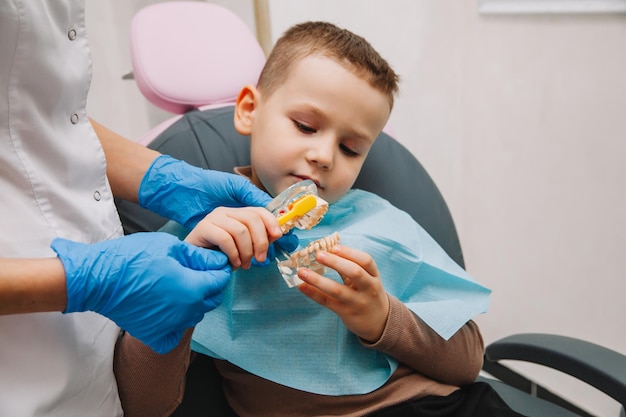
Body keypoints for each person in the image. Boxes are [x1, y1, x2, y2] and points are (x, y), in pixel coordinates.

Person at [165, 21, 527, 417]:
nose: (324, 155)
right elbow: (139, 399)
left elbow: (470, 360)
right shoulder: (202, 233)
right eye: (305, 126)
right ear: (250, 110)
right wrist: (177, 287)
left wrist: (383, 319)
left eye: (351, 149)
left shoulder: (380, 223)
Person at [0, 2, 291, 416]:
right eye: (304, 126)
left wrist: (160, 176)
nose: (322, 157)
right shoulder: (179, 249)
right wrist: (80, 280)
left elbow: (36, 114)